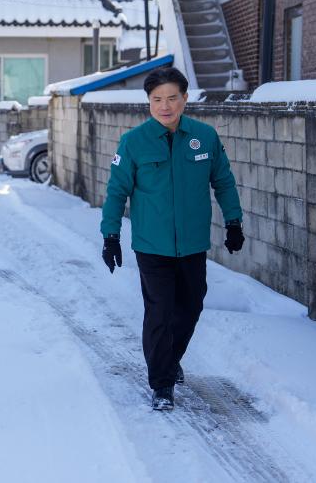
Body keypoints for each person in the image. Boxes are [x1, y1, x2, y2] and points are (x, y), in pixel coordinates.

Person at [100, 67, 244, 411]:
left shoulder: (204, 137)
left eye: (171, 98)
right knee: (160, 312)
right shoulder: (133, 142)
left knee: (191, 308)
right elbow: (117, 191)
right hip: (152, 244)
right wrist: (110, 235)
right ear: (149, 102)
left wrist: (233, 222)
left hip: (193, 243)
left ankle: (170, 357)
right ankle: (162, 384)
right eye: (157, 99)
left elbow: (223, 181)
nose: (164, 106)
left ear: (185, 98)